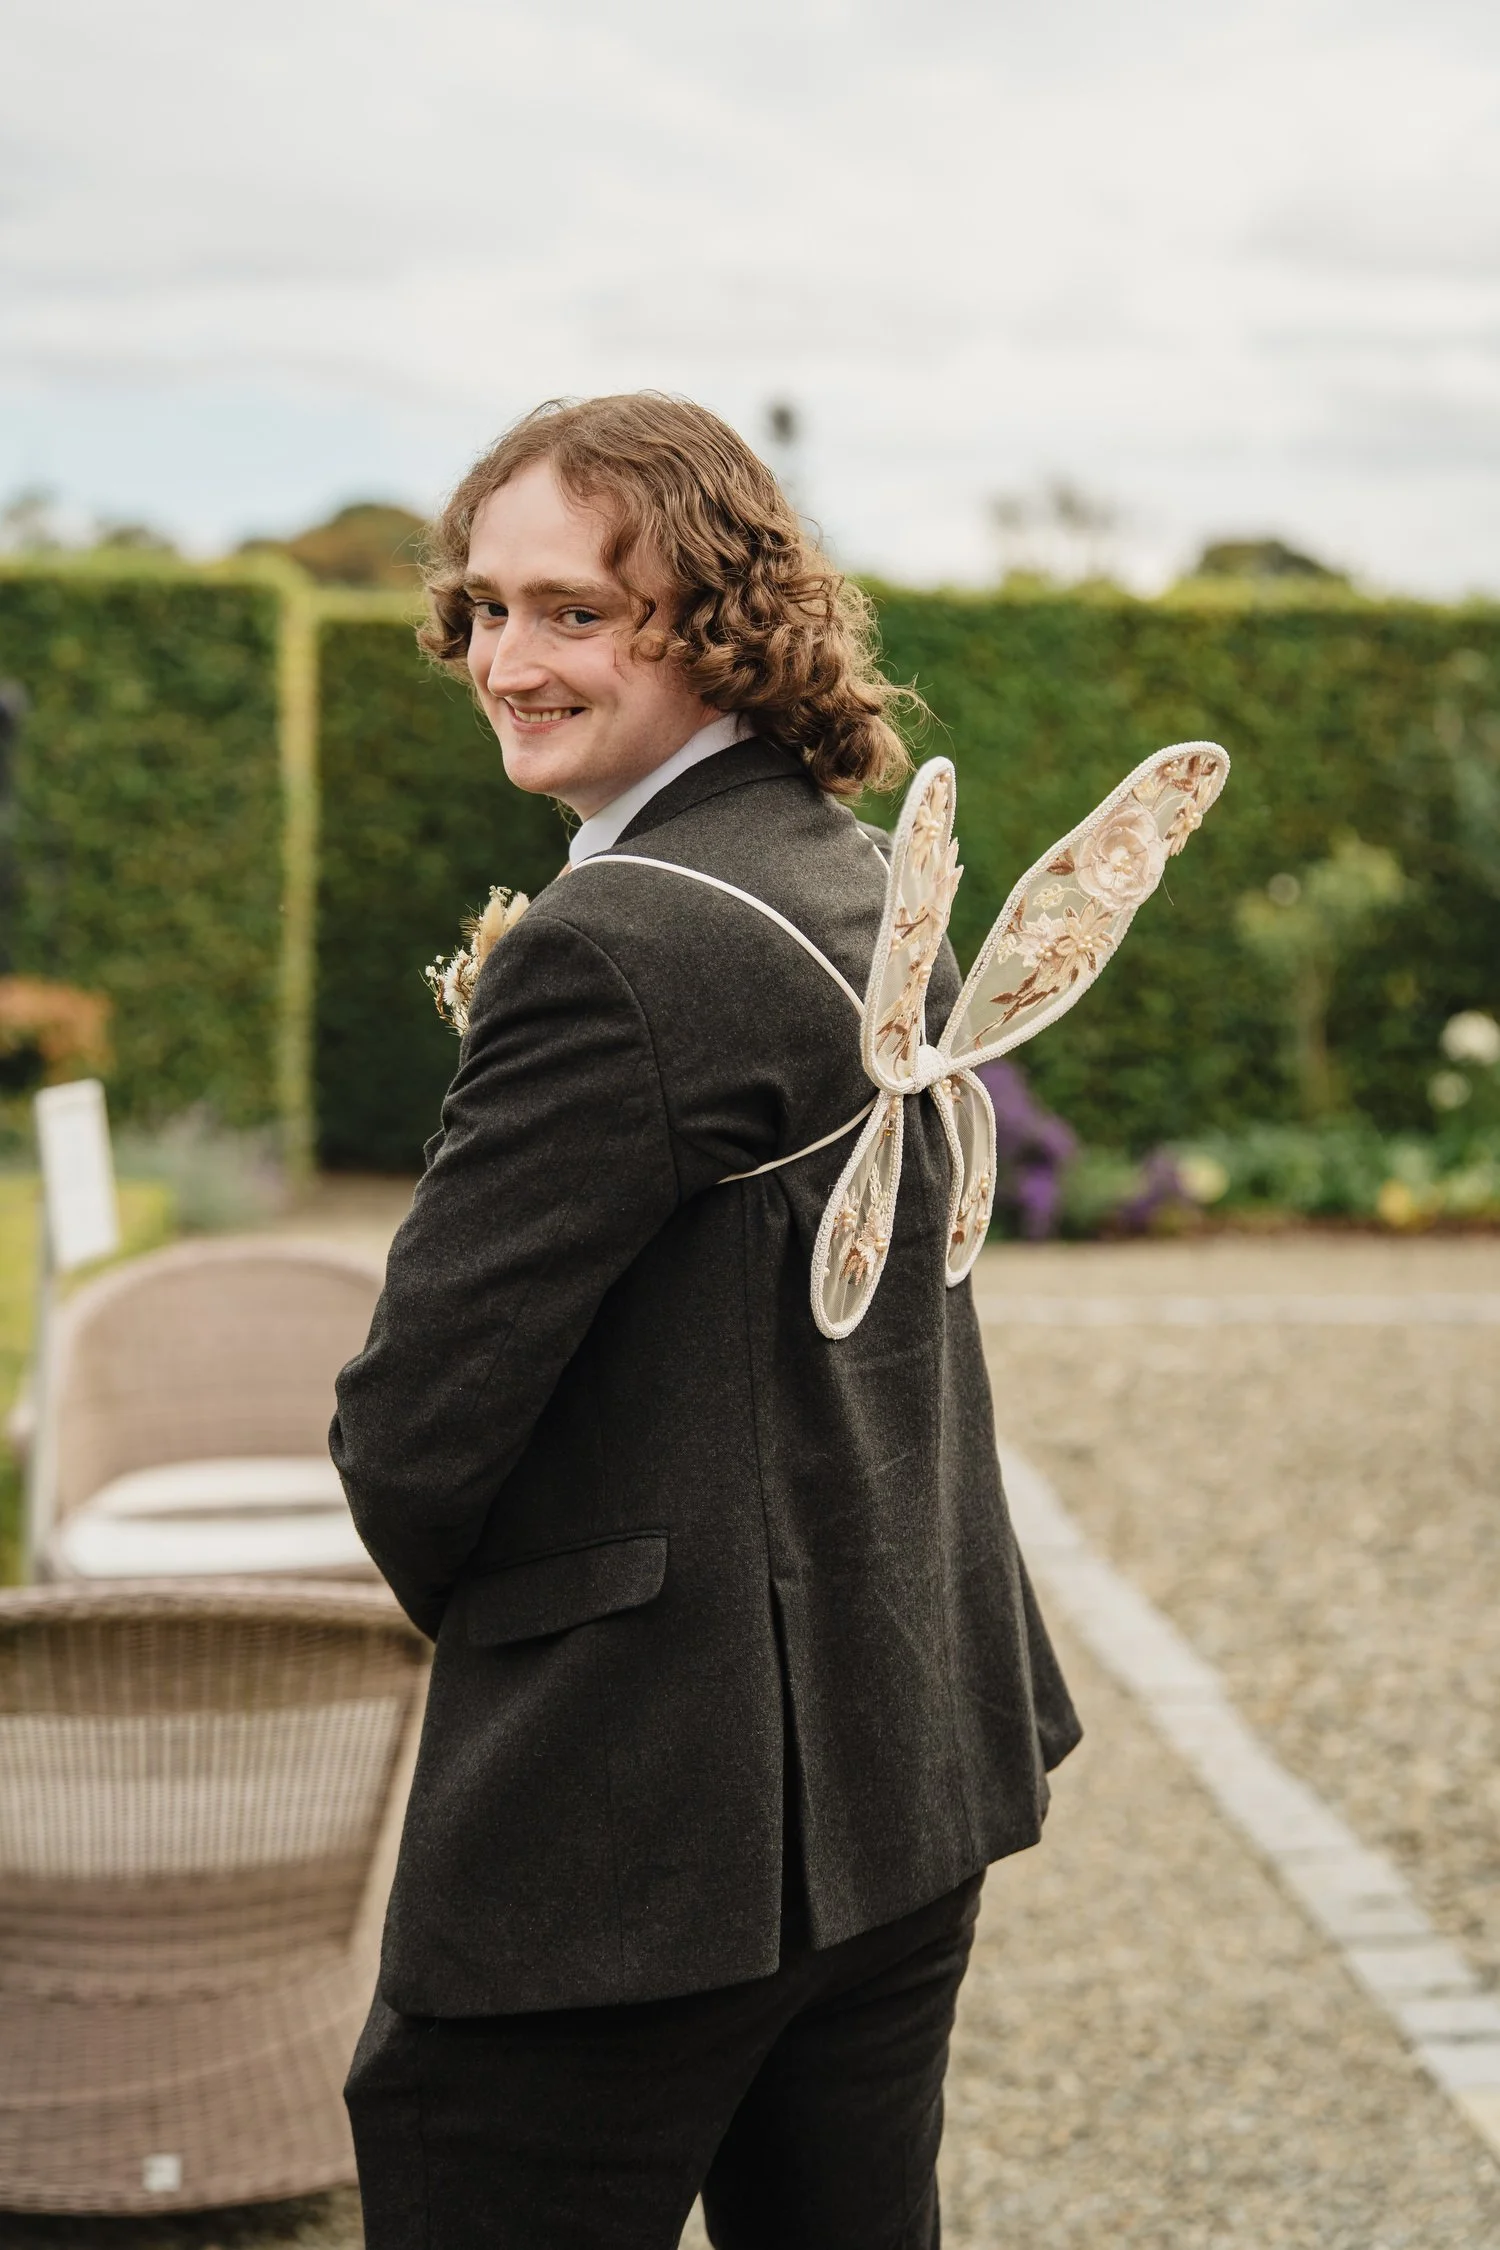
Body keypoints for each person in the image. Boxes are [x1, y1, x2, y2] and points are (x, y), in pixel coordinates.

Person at [332, 391, 1081, 2250]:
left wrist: (537, 1612)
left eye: (577, 611)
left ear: (723, 615)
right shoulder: (842, 867)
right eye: (487, 606)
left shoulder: (618, 944)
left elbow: (412, 1435)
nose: (510, 657)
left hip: (643, 1833)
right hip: (901, 1760)